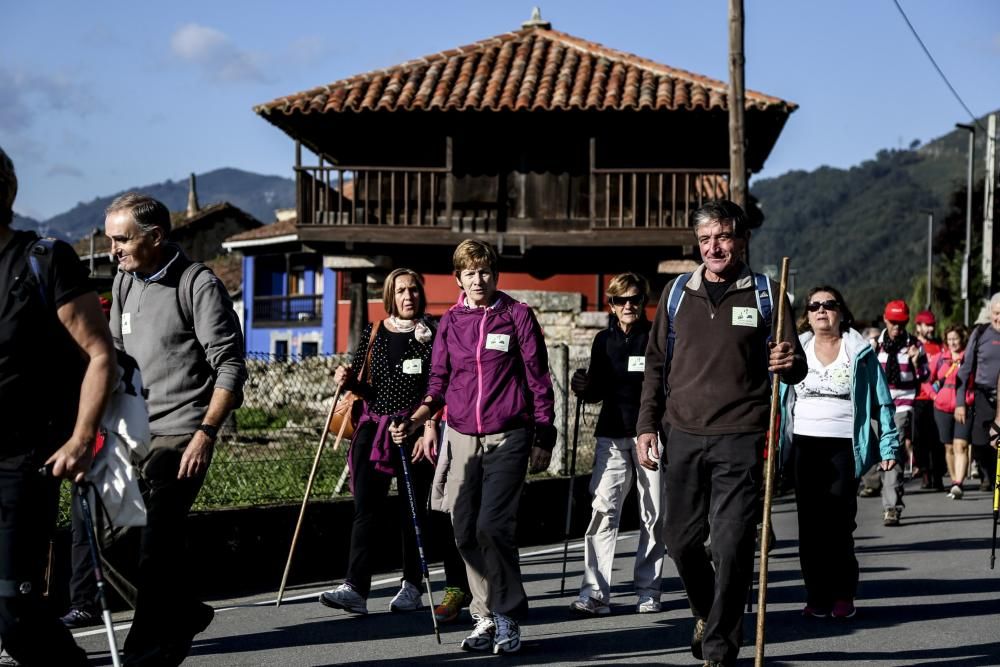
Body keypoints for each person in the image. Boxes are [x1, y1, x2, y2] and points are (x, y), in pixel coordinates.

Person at [635, 200, 806, 667]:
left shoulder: (769, 294)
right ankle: (707, 613)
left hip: (741, 436)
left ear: (742, 240)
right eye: (706, 238)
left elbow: (794, 367)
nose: (715, 247)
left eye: (724, 237)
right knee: (681, 541)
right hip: (683, 435)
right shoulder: (675, 294)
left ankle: (719, 650)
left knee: (731, 547)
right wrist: (646, 425)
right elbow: (655, 367)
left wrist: (789, 362)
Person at [390, 239, 556, 655]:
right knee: (463, 529)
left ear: (494, 274)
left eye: (484, 271)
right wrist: (414, 421)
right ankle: (482, 615)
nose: (478, 279)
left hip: (509, 434)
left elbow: (539, 379)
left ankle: (507, 615)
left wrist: (544, 435)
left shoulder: (517, 316)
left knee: (492, 526)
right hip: (461, 435)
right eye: (470, 273)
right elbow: (438, 383)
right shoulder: (451, 322)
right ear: (458, 278)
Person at [105, 192, 247, 666]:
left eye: (122, 239)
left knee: (153, 548)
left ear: (156, 237)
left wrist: (206, 432)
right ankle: (183, 610)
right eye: (110, 240)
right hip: (131, 433)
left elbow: (230, 366)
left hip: (182, 433)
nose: (113, 250)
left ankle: (144, 653)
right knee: (110, 545)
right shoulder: (125, 281)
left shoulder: (197, 284)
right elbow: (116, 358)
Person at [0, 146, 116, 665]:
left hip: (22, 463)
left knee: (16, 615)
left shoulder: (42, 260)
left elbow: (99, 354)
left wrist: (79, 438)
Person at [318, 269, 470, 617]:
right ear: (390, 295)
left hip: (414, 427)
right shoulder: (374, 332)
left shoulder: (432, 332)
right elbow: (364, 384)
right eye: (401, 290)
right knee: (365, 507)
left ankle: (413, 585)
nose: (408, 296)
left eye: (414, 290)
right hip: (373, 427)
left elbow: (440, 383)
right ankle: (355, 588)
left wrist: (429, 423)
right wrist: (347, 379)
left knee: (413, 509)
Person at [779, 286, 898, 619]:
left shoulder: (858, 351)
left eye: (829, 305)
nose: (821, 310)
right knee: (810, 526)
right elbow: (779, 402)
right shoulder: (796, 348)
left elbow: (882, 400)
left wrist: (889, 443)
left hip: (843, 446)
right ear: (807, 314)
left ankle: (843, 593)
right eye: (814, 305)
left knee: (839, 524)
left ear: (842, 312)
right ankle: (816, 595)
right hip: (804, 445)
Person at [568, 272, 666, 617]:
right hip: (611, 435)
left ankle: (649, 589)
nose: (629, 306)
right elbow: (596, 391)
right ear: (610, 304)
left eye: (635, 299)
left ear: (644, 302)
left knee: (653, 514)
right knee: (602, 511)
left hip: (651, 434)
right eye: (621, 300)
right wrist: (582, 385)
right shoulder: (602, 341)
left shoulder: (658, 337)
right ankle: (595, 593)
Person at [858, 300, 928, 526]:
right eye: (893, 322)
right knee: (871, 445)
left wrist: (917, 361)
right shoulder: (874, 345)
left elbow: (925, 376)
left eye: (902, 322)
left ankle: (891, 507)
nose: (897, 326)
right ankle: (872, 481)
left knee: (892, 451)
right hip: (877, 403)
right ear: (885, 320)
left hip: (902, 404)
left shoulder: (915, 344)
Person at [955, 292, 1000, 492]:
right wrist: (960, 402)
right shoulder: (981, 333)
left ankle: (993, 479)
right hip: (983, 396)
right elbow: (964, 370)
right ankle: (986, 472)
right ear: (990, 313)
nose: (999, 318)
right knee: (981, 443)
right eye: (997, 313)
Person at [929, 325, 974, 499]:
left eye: (955, 338)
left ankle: (958, 484)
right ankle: (954, 480)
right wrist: (934, 396)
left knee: (960, 445)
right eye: (949, 339)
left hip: (965, 406)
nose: (953, 342)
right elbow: (927, 379)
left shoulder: (969, 358)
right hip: (942, 408)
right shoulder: (939, 358)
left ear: (962, 338)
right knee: (948, 447)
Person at [913, 310, 944, 490]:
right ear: (919, 327)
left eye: (933, 325)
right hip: (918, 399)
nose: (931, 328)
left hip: (937, 399)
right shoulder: (913, 345)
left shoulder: (939, 346)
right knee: (919, 440)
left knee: (937, 440)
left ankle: (937, 475)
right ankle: (925, 472)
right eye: (927, 325)